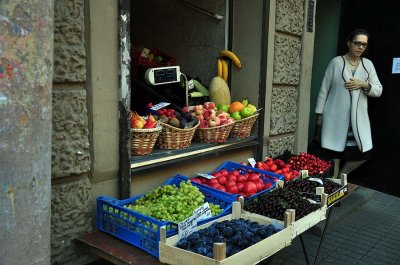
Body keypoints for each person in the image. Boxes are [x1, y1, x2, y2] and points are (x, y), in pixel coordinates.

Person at [315, 29, 383, 178]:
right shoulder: (336, 62)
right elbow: (324, 89)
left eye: (364, 45)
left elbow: (378, 90)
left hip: (357, 121)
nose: (360, 47)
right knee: (335, 154)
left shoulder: (367, 65)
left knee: (363, 155)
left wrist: (363, 84)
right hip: (335, 117)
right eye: (357, 43)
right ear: (348, 43)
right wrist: (319, 114)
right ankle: (333, 186)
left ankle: (342, 176)